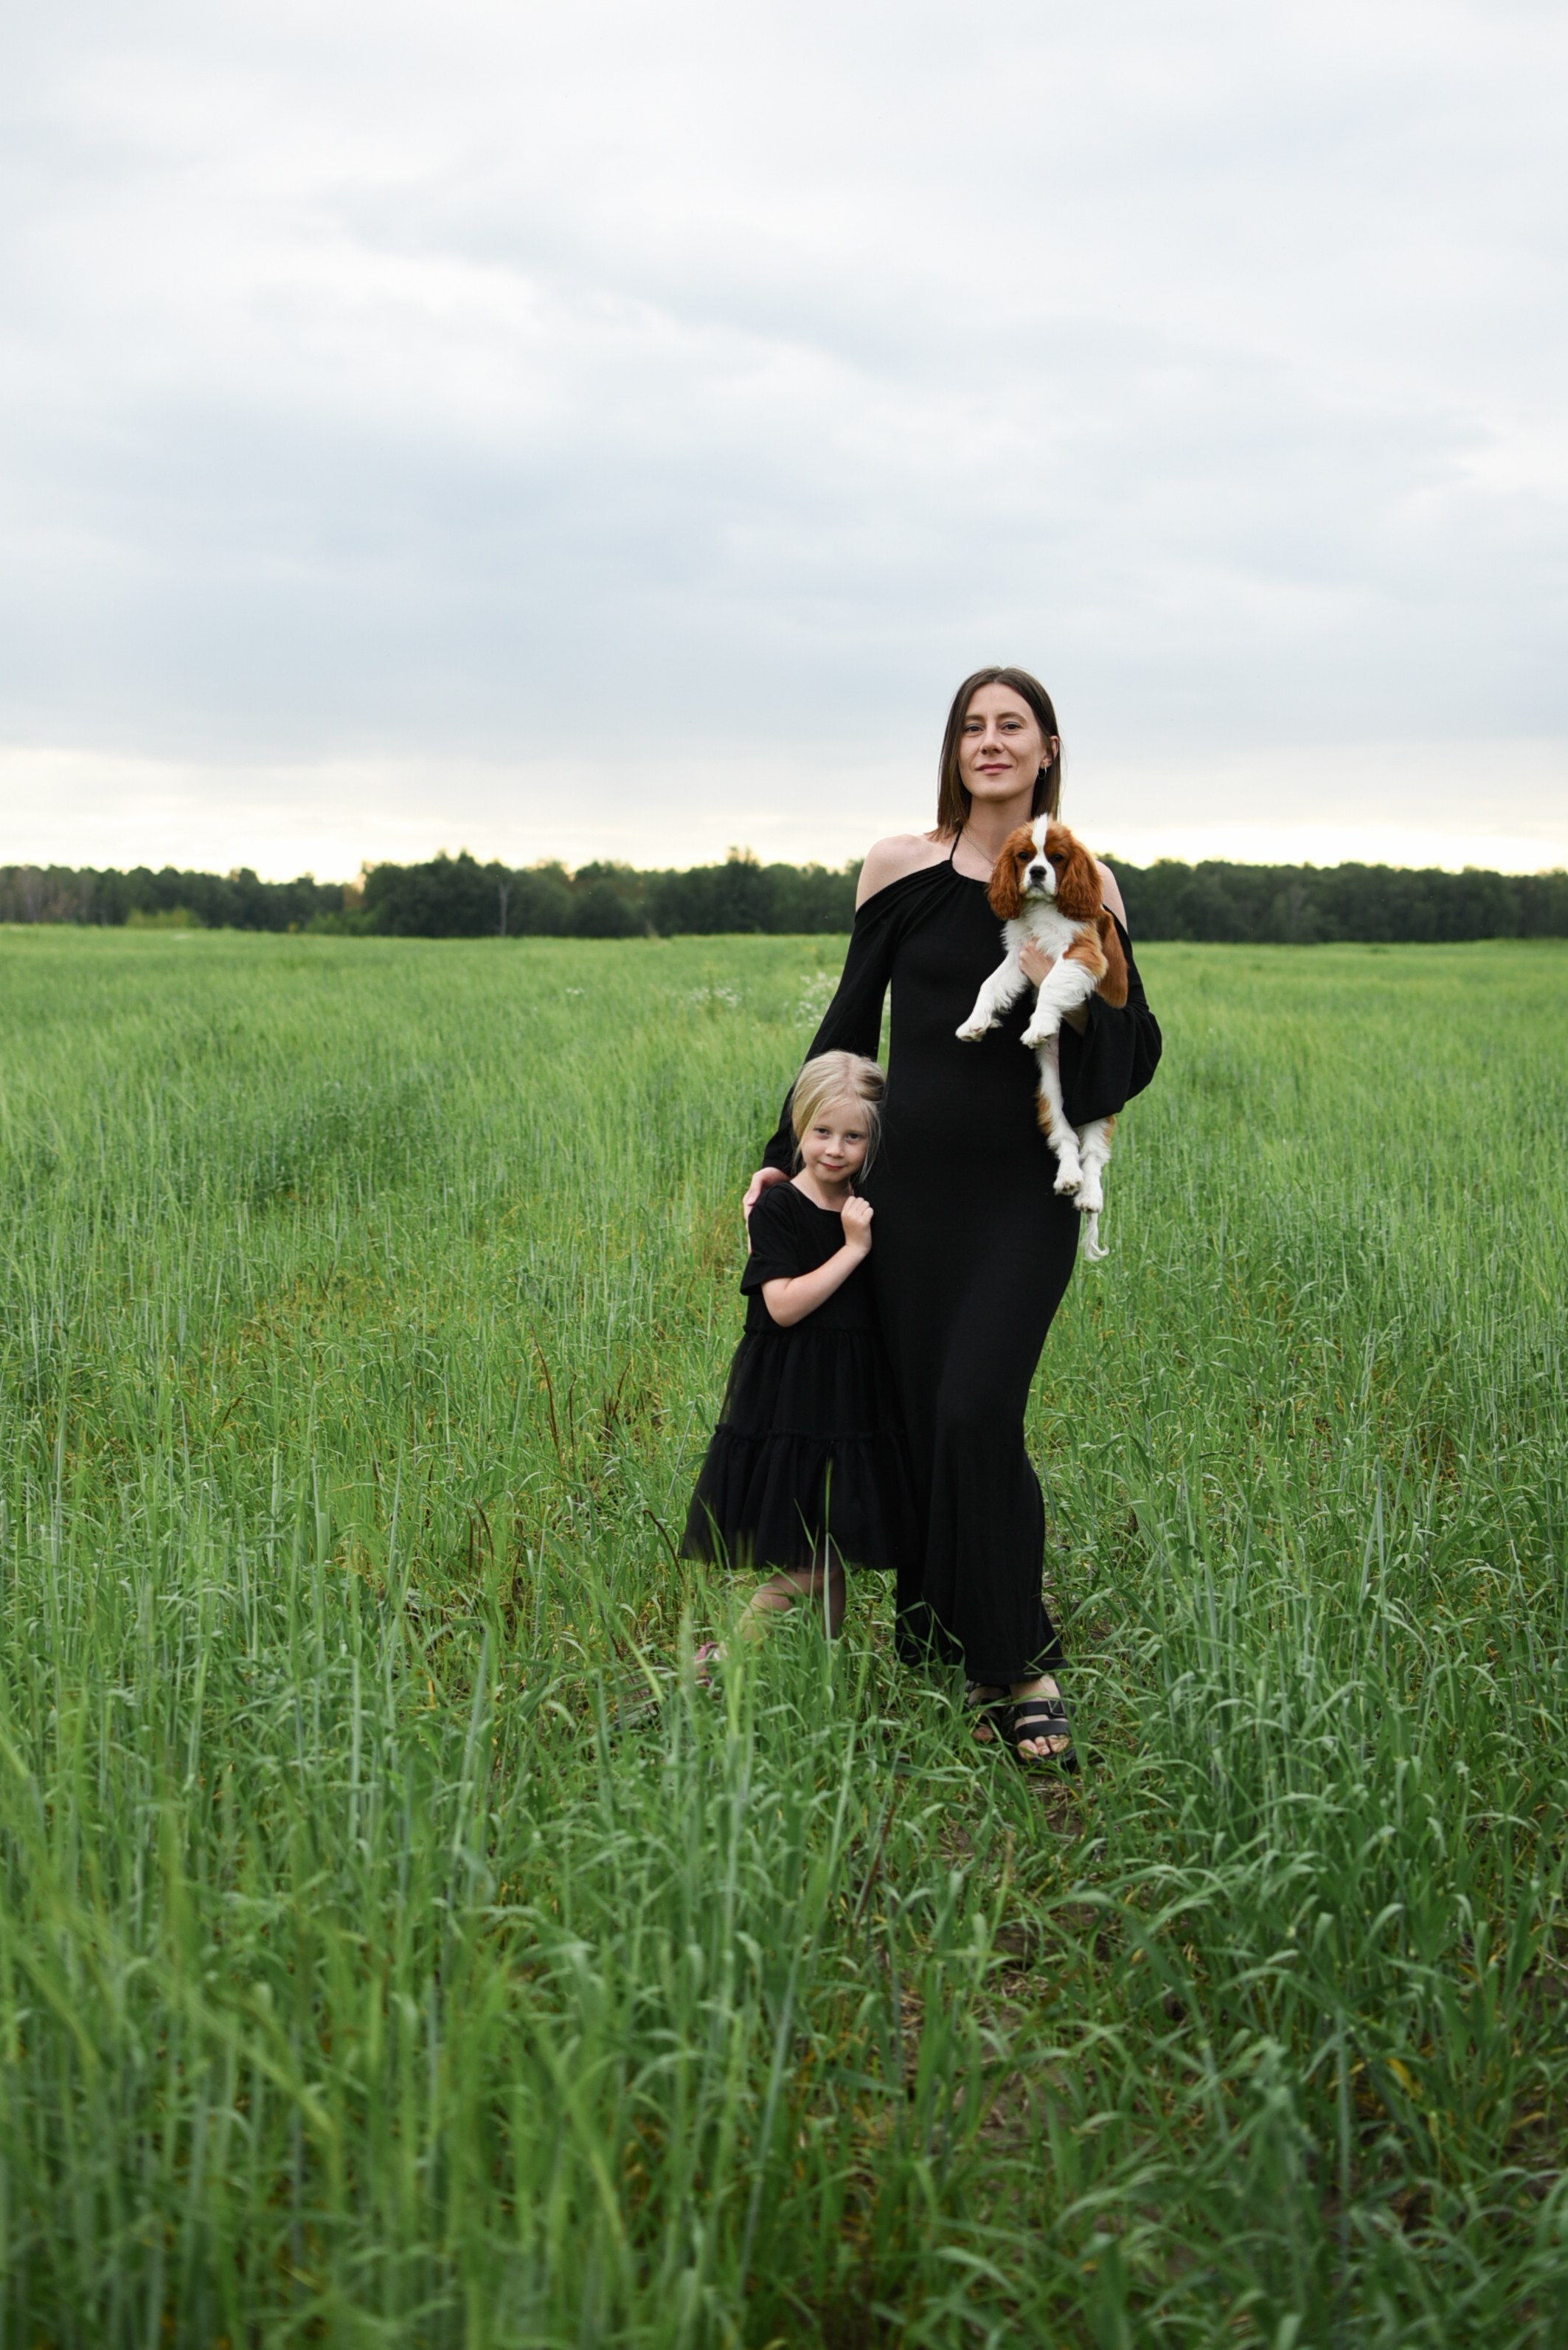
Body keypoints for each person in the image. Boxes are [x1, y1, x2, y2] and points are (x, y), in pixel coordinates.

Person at [743, 668, 1162, 1766]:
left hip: (1024, 1197)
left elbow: (1130, 1053)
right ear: (953, 748)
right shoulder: (899, 869)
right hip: (906, 1192)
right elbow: (846, 1026)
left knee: (977, 1406)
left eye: (1009, 725)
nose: (988, 741)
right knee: (926, 1413)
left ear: (1048, 748)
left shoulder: (1085, 881)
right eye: (971, 726)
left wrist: (1078, 953)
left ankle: (1018, 1658)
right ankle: (935, 1637)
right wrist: (784, 1168)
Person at [683, 1050, 915, 1666]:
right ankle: (723, 1663)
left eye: (853, 1136)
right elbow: (782, 1305)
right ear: (798, 1129)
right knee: (811, 1562)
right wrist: (852, 1249)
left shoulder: (865, 1204)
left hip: (854, 1399)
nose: (835, 1149)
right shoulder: (780, 1208)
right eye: (821, 1131)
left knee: (833, 1554)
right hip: (795, 1397)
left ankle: (824, 1674)